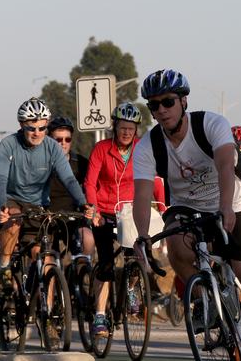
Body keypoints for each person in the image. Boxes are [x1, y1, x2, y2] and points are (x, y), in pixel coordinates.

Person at [133, 69, 241, 361]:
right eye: (153, 105)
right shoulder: (149, 145)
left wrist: (226, 207)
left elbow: (225, 167)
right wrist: (142, 235)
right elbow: (141, 194)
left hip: (235, 202)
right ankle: (207, 305)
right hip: (186, 205)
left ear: (184, 101)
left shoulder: (212, 124)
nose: (161, 111)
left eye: (167, 102)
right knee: (176, 246)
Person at [0, 97, 93, 344]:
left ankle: (47, 316)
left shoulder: (51, 147)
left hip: (40, 205)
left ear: (46, 125)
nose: (36, 133)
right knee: (14, 221)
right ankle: (4, 267)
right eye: (31, 127)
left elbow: (69, 180)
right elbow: (1, 180)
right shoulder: (8, 145)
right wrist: (1, 207)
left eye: (41, 127)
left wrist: (83, 203)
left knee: (46, 258)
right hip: (13, 198)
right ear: (21, 125)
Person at [84, 102, 165, 336]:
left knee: (137, 256)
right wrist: (94, 209)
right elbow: (90, 182)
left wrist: (163, 207)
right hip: (106, 212)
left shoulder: (143, 149)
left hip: (131, 212)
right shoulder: (101, 149)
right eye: (122, 127)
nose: (126, 132)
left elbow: (155, 181)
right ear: (114, 127)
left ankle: (131, 292)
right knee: (107, 263)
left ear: (137, 129)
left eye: (131, 128)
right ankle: (100, 315)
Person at [47, 117, 95, 260]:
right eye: (58, 140)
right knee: (49, 258)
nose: (63, 143)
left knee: (87, 240)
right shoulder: (41, 162)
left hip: (74, 217)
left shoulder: (80, 163)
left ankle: (82, 276)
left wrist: (90, 209)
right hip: (47, 217)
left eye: (67, 139)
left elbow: (91, 187)